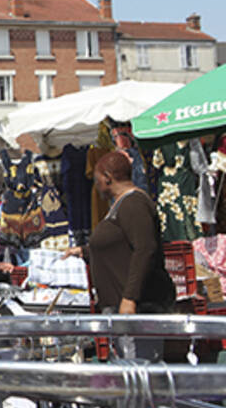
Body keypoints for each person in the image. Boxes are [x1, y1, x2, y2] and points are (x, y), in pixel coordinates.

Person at [67, 151, 175, 353]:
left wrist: (129, 298)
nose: (96, 185)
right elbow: (119, 244)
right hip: (120, 307)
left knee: (138, 365)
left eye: (97, 179)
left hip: (135, 309)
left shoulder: (134, 204)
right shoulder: (120, 204)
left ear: (107, 177)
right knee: (127, 364)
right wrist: (84, 251)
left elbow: (145, 249)